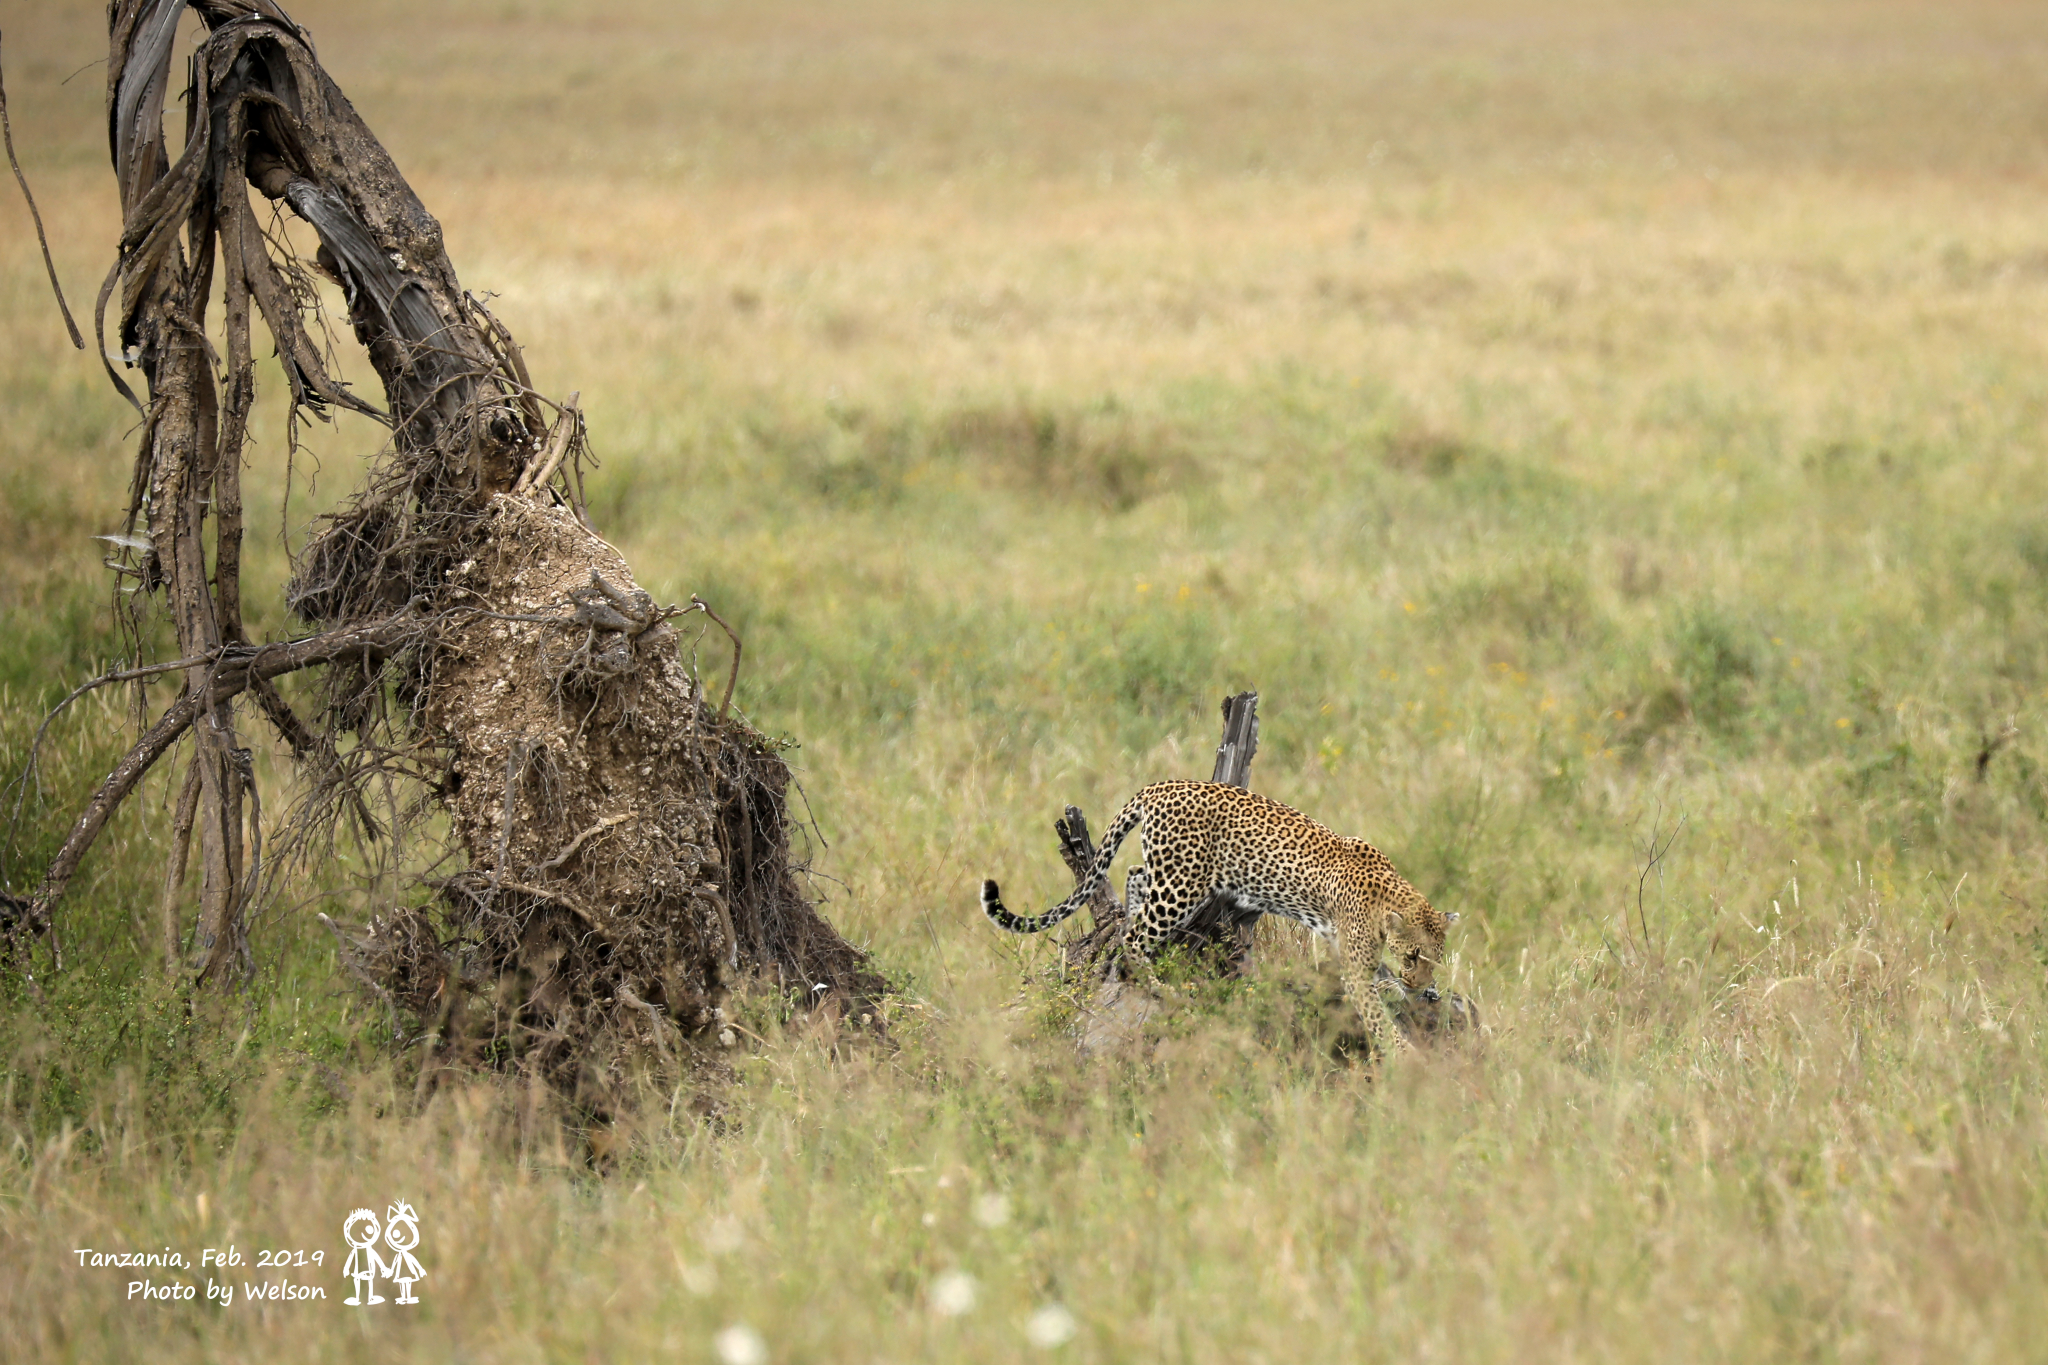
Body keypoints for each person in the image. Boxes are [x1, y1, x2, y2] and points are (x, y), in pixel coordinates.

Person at [384, 1201, 427, 1304]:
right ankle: (404, 1297)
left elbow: (413, 1261)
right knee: (403, 1282)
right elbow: (395, 1262)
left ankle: (407, 1297)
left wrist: (420, 1269)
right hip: (400, 1270)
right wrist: (391, 1270)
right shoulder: (400, 1255)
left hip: (407, 1269)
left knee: (407, 1282)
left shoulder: (406, 1255)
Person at [343, 1208, 387, 1305]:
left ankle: (370, 1297)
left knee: (369, 1281)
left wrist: (383, 1268)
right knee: (357, 1281)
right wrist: (346, 1268)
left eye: (368, 1230)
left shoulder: (369, 1250)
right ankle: (357, 1297)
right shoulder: (355, 1250)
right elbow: (350, 1258)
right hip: (357, 1269)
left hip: (367, 1269)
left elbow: (376, 1257)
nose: (362, 1234)